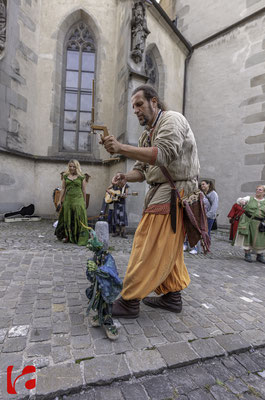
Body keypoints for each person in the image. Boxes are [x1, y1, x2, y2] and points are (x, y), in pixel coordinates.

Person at [101, 84, 200, 318]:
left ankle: (129, 300)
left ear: (154, 102)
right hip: (160, 191)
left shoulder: (172, 120)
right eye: (133, 106)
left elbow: (164, 154)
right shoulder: (147, 134)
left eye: (139, 104)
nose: (135, 110)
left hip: (174, 192)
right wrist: (125, 177)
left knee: (148, 244)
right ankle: (172, 296)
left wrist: (121, 148)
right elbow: (142, 171)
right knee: (168, 249)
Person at [55, 159, 89, 245]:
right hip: (68, 199)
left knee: (79, 217)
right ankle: (68, 236)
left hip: (78, 199)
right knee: (67, 217)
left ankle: (79, 237)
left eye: (74, 166)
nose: (72, 168)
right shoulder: (65, 176)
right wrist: (59, 200)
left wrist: (84, 201)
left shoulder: (81, 177)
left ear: (77, 167)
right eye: (70, 166)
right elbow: (63, 189)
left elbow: (84, 190)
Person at [234, 185, 265, 263]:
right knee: (247, 237)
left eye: (260, 190)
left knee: (260, 239)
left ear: (264, 192)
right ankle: (247, 254)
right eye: (257, 189)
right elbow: (239, 200)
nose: (258, 191)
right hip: (248, 221)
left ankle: (260, 256)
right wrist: (241, 201)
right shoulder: (249, 198)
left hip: (260, 223)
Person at [184, 179, 218, 255]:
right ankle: (196, 247)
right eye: (201, 184)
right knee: (197, 231)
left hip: (209, 217)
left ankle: (206, 247)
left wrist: (207, 216)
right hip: (200, 216)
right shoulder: (200, 193)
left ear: (208, 184)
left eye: (204, 184)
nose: (202, 186)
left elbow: (214, 207)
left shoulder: (213, 194)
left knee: (206, 232)